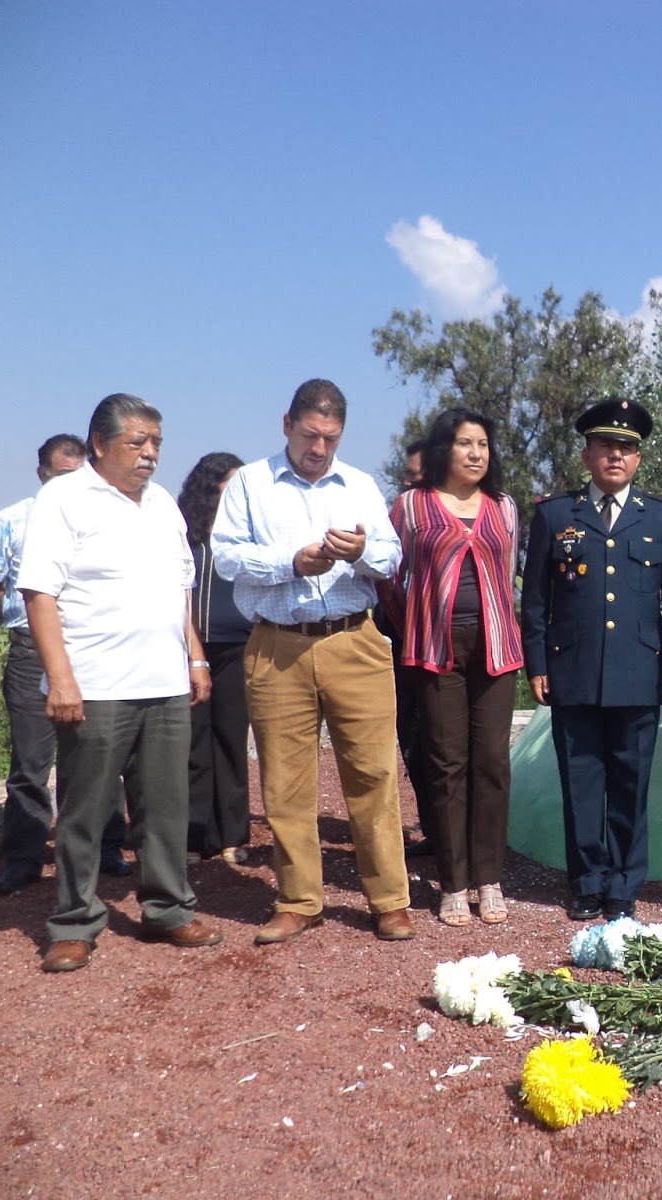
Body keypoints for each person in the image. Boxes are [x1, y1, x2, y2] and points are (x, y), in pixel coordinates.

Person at [17, 394, 222, 971]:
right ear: (101, 444)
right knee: (85, 812)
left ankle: (168, 910)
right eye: (137, 442)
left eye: (156, 442)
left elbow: (180, 589)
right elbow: (39, 592)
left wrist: (195, 658)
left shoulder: (162, 504)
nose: (150, 453)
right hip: (97, 685)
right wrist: (61, 678)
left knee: (165, 807)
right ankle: (74, 921)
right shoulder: (64, 498)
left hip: (164, 683)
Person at [211, 378, 414, 944]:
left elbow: (391, 556)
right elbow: (226, 557)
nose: (319, 448)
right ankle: (298, 900)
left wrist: (362, 552)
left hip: (355, 640)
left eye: (330, 438)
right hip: (276, 644)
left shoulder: (360, 485)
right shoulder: (250, 483)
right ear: (287, 424)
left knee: (373, 773)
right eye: (309, 435)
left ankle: (389, 900)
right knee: (284, 779)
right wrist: (291, 562)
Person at [521, 398, 662, 922]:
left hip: (639, 672)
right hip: (573, 670)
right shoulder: (554, 515)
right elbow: (536, 599)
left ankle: (624, 885)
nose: (616, 456)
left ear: (638, 458)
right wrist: (537, 663)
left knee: (631, 785)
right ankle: (588, 882)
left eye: (627, 448)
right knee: (582, 781)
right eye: (606, 446)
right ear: (587, 454)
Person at [383, 408, 523, 927]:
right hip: (435, 649)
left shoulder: (503, 507)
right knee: (445, 764)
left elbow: (508, 573)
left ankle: (489, 879)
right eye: (466, 443)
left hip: (495, 648)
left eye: (483, 444)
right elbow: (388, 575)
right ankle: (452, 882)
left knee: (492, 763)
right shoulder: (412, 506)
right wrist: (415, 622)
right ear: (444, 449)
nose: (475, 453)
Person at [0, 434, 93, 893]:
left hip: (87, 650)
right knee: (31, 761)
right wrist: (18, 619)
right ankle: (24, 857)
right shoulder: (13, 519)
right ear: (41, 473)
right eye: (62, 475)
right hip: (30, 653)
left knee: (95, 755)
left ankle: (98, 849)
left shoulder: (100, 519)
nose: (71, 484)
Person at [178, 452, 252, 866]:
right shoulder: (183, 532)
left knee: (231, 739)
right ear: (210, 486)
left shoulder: (246, 530)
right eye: (231, 483)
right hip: (190, 649)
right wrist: (194, 652)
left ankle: (232, 835)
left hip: (239, 646)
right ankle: (193, 836)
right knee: (193, 741)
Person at [377, 440, 438, 858]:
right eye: (405, 478)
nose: (404, 486)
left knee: (444, 744)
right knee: (412, 739)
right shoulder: (398, 516)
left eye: (414, 479)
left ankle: (463, 835)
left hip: (441, 646)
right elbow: (387, 579)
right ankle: (434, 829)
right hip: (400, 643)